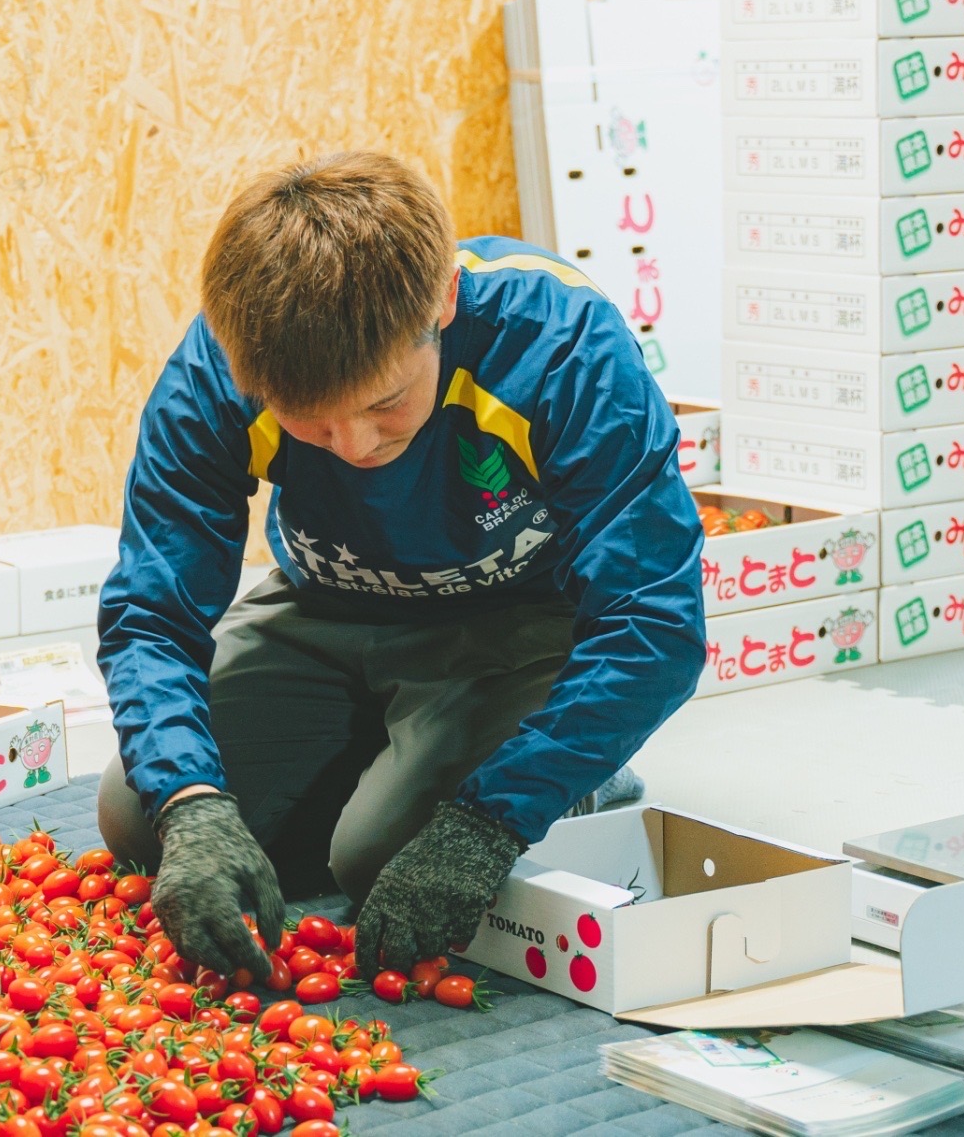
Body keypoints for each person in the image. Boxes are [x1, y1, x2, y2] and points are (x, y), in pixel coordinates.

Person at [95, 151, 704, 980]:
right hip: (327, 610)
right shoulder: (223, 365)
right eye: (311, 423)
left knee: (379, 856)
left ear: (444, 302)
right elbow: (152, 611)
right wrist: (194, 804)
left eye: (385, 403)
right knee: (139, 812)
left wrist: (490, 819)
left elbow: (654, 625)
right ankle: (389, 765)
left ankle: (582, 774)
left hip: (513, 629)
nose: (355, 447)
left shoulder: (563, 346)